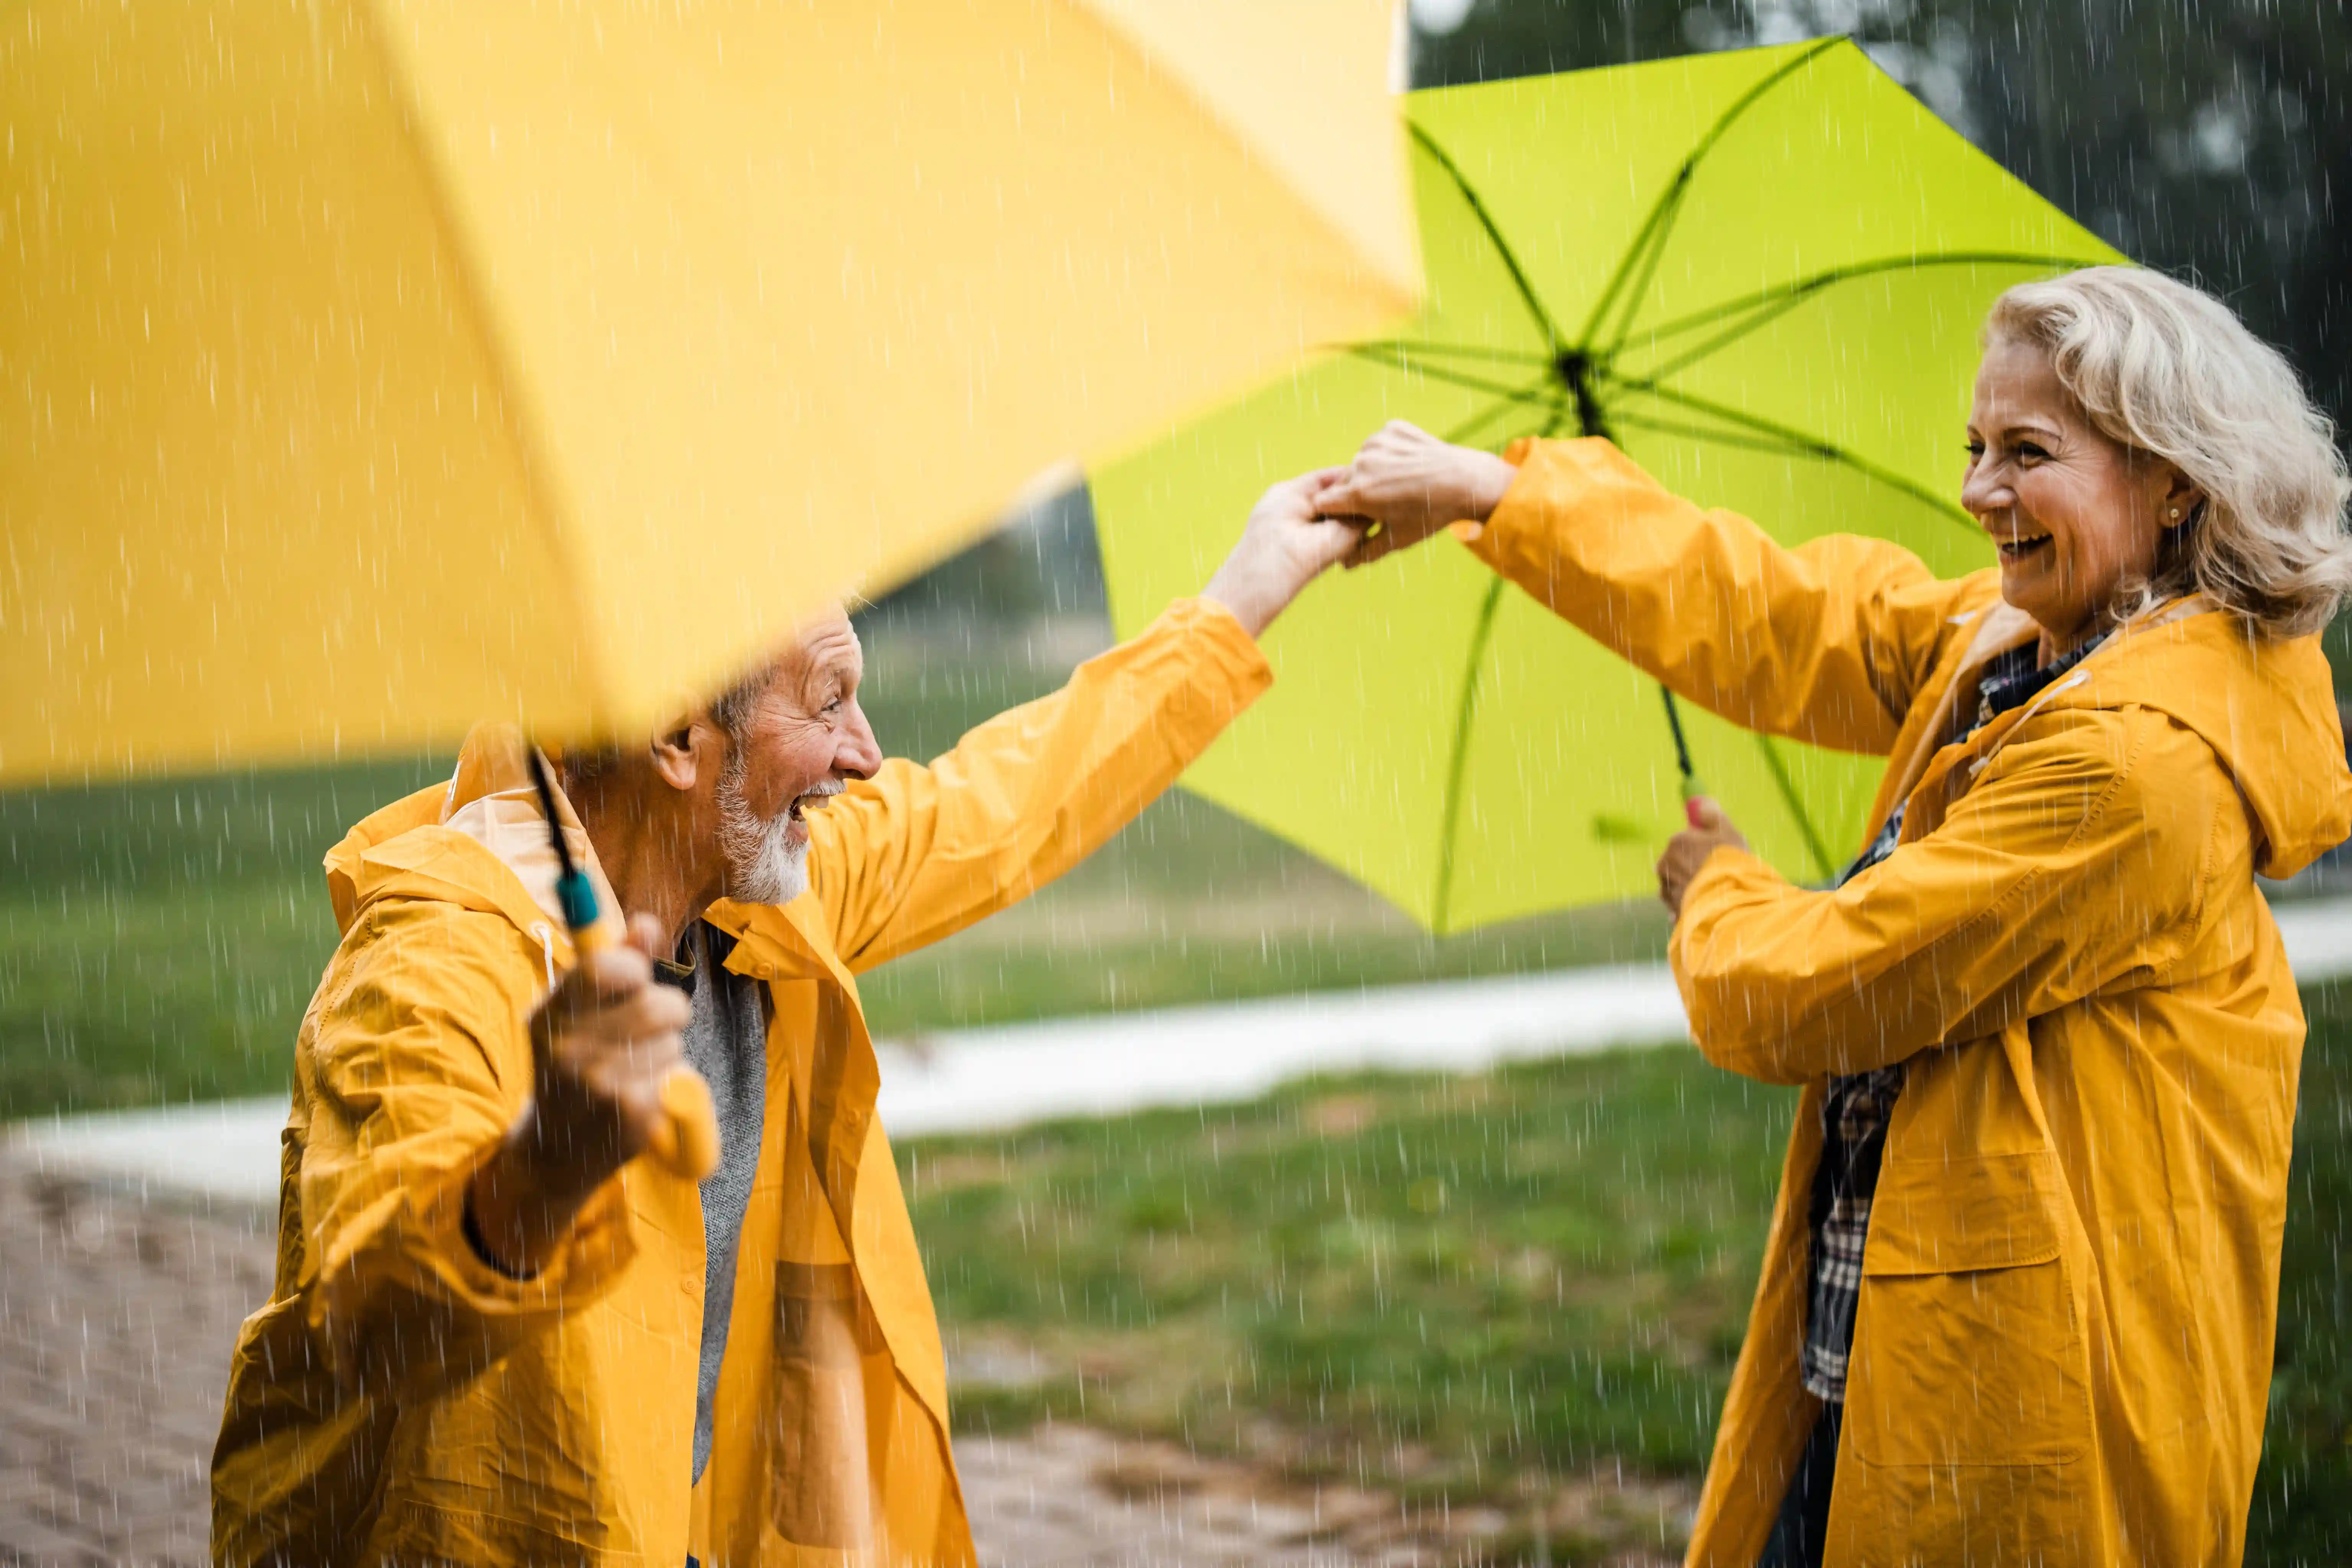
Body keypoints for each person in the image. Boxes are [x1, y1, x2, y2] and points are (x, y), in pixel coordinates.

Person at [1318, 266, 2352, 1566]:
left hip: (2020, 1400)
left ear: (2175, 483)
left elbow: (1828, 988)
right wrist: (1505, 494)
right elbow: (1782, 615)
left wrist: (1718, 894)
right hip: (1892, 1342)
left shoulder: (2140, 759)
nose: (1979, 493)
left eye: (2027, 454)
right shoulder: (2038, 645)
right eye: (1975, 448)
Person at [210, 473, 1359, 1566]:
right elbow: (368, 1324)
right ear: (674, 739)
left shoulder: (752, 906)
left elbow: (1004, 802)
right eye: (826, 705)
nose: (865, 755)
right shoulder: (430, 967)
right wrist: (541, 1166)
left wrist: (1243, 595)